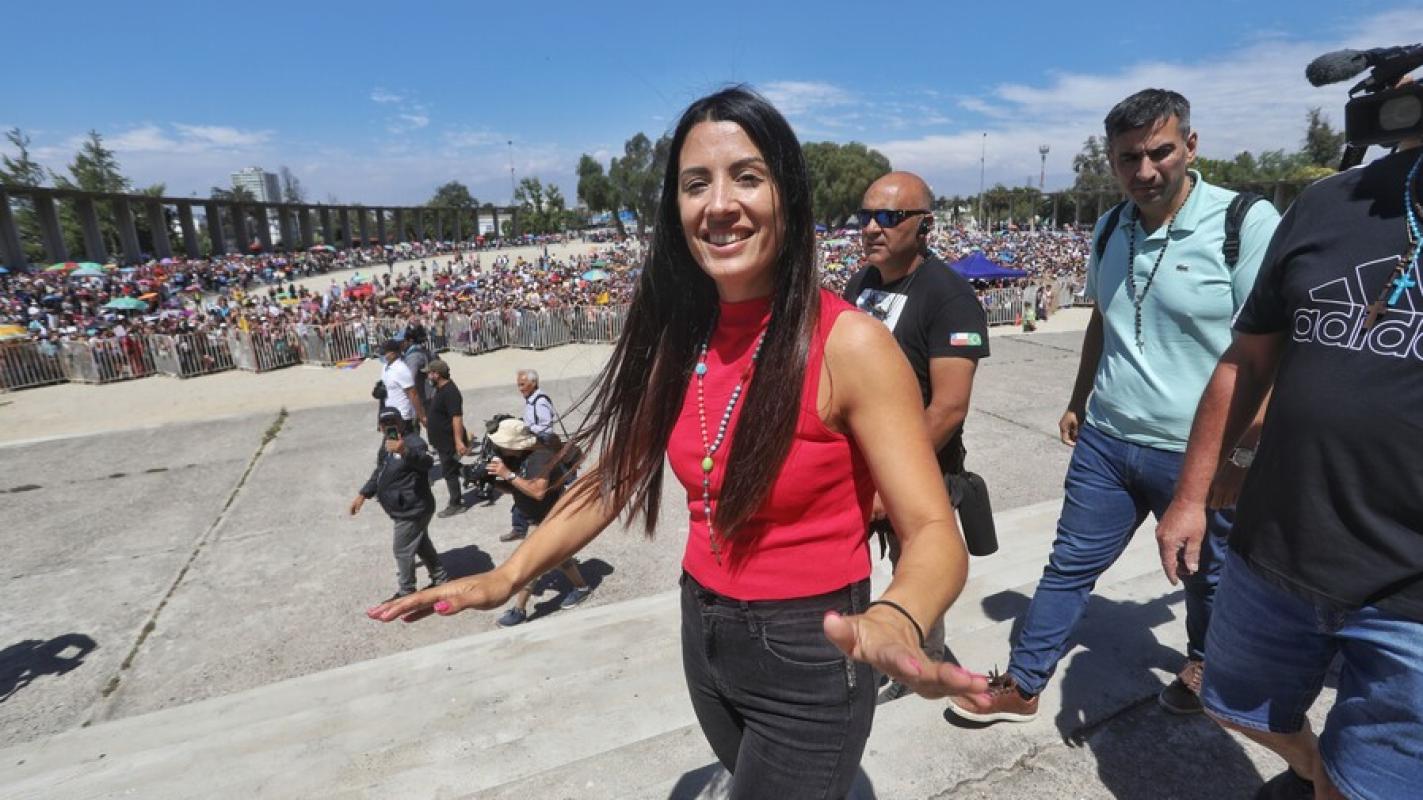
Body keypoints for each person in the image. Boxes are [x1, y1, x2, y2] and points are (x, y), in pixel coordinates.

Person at [369, 86, 989, 797]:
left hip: (811, 648)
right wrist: (507, 576)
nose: (718, 204)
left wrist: (898, 615)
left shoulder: (851, 344)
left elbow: (932, 529)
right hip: (704, 632)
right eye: (696, 184)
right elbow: (614, 478)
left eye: (746, 177)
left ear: (789, 197)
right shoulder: (681, 337)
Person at [948, 88, 1280, 725]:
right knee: (1069, 563)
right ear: (1112, 159)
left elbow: (1270, 350)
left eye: (1160, 152)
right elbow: (1104, 319)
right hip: (1108, 439)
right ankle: (1024, 681)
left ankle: (1206, 659)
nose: (1144, 171)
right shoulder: (1110, 226)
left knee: (1207, 575)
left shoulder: (1244, 222)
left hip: (1199, 450)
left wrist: (1241, 454)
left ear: (1190, 146)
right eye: (1128, 158)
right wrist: (1079, 398)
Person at [1155, 143, 1423, 799]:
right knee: (1230, 705)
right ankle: (1314, 766)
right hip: (1276, 547)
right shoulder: (1331, 202)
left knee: (1363, 787)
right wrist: (1191, 496)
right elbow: (1248, 360)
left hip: (1410, 595)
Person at [843, 171, 990, 703]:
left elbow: (948, 407)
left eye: (889, 217)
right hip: (859, 461)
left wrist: (891, 478)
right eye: (865, 216)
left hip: (915, 467)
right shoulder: (862, 282)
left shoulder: (950, 297)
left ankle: (921, 664)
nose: (872, 228)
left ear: (924, 225)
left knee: (916, 565)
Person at [480, 419, 594, 627]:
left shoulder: (540, 458)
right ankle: (582, 588)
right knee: (559, 557)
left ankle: (519, 610)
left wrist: (507, 474)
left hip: (549, 518)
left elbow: (537, 491)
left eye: (502, 444)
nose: (499, 448)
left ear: (514, 444)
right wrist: (492, 481)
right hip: (536, 517)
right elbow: (517, 488)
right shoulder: (520, 457)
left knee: (532, 564)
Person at [350, 409, 449, 601]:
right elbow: (380, 471)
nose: (389, 426)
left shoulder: (414, 443)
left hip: (413, 509)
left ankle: (406, 591)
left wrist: (404, 451)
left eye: (393, 421)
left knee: (402, 549)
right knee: (420, 543)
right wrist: (363, 494)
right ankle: (441, 578)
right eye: (384, 423)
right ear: (380, 427)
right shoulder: (387, 443)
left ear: (402, 423)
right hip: (404, 507)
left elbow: (427, 462)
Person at [503, 369, 559, 541]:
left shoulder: (540, 401)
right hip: (532, 445)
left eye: (522, 384)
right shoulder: (531, 400)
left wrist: (526, 428)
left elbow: (546, 428)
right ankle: (520, 526)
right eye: (518, 385)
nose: (520, 388)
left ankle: (530, 526)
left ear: (533, 383)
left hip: (540, 448)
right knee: (520, 484)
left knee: (527, 483)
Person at [425, 359, 470, 518]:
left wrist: (458, 441)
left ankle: (456, 504)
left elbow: (456, 418)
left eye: (429, 373)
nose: (428, 377)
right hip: (442, 440)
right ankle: (474, 475)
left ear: (437, 374)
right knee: (452, 467)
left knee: (449, 472)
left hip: (449, 441)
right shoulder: (440, 389)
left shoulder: (451, 392)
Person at [379, 339, 424, 434]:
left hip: (402, 417)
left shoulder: (401, 369)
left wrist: (421, 416)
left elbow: (413, 394)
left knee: (404, 442)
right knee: (391, 442)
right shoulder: (385, 367)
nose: (383, 355)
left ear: (393, 353)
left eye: (385, 353)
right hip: (389, 415)